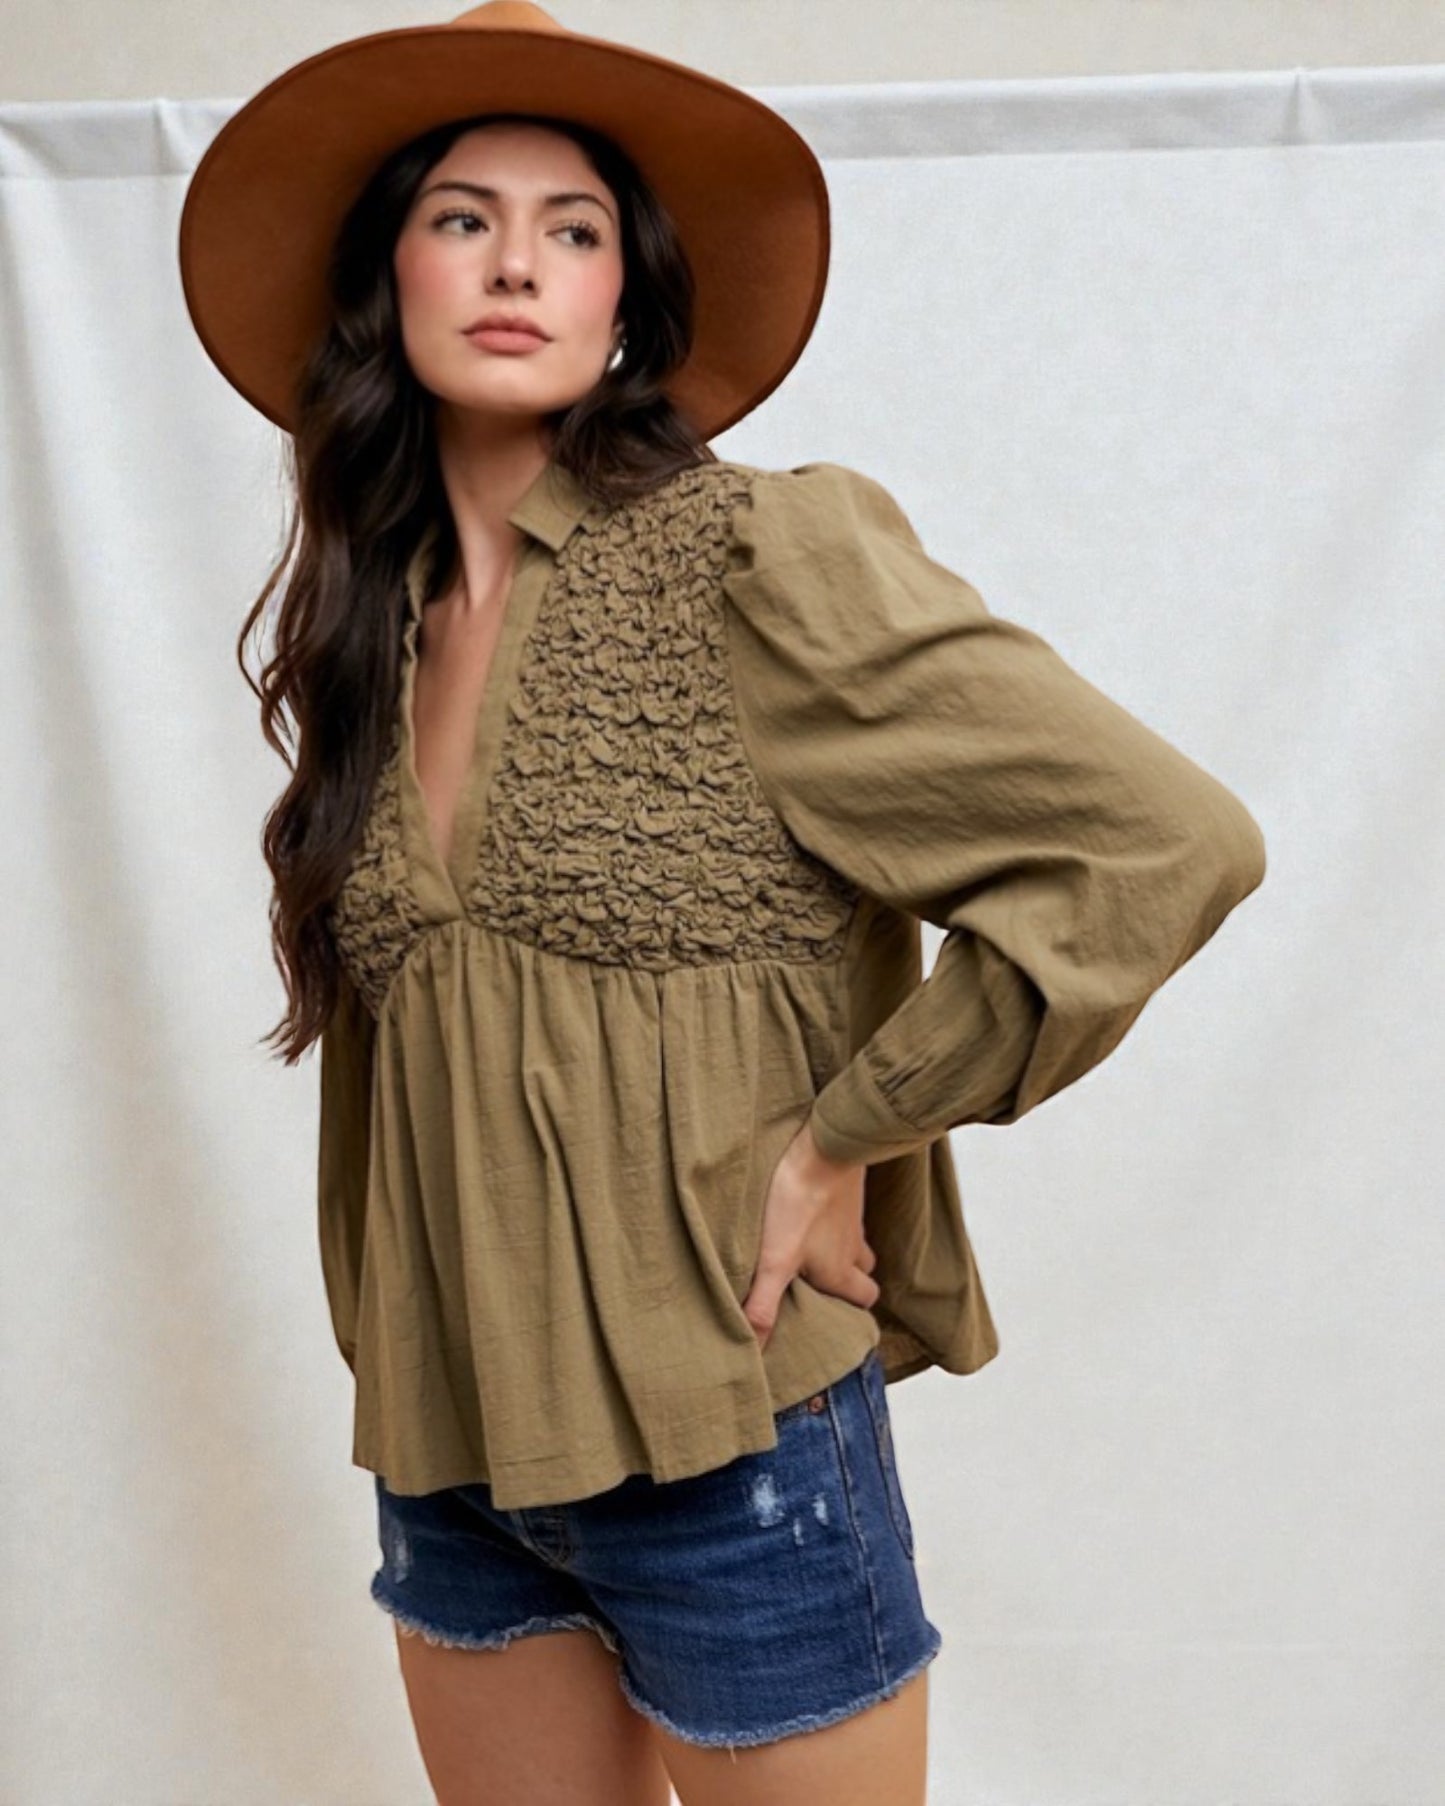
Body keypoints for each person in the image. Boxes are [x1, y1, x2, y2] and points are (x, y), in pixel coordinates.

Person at [178, 6, 1268, 1801]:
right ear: (388, 281)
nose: (519, 260)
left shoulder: (753, 553)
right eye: (462, 216)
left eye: (576, 226)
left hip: (732, 1456)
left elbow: (1163, 840)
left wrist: (855, 1130)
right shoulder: (369, 639)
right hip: (451, 1462)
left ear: (631, 303)